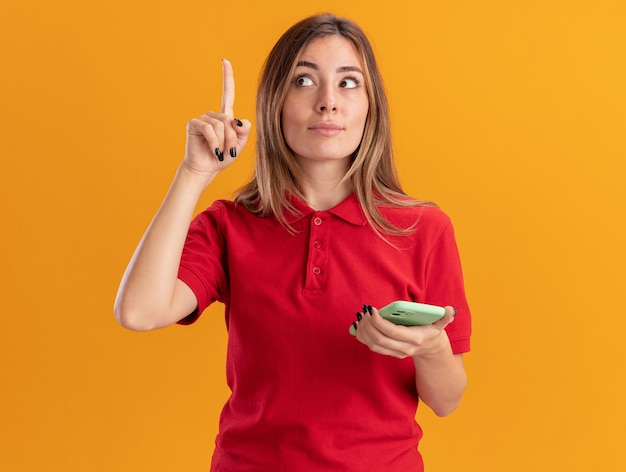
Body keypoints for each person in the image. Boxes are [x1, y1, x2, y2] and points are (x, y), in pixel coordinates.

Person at [115, 13, 471, 472]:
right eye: (304, 80)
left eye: (348, 83)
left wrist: (430, 348)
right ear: (275, 102)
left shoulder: (423, 228)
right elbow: (139, 312)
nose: (327, 103)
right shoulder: (230, 225)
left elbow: (446, 401)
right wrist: (194, 174)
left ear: (371, 107)